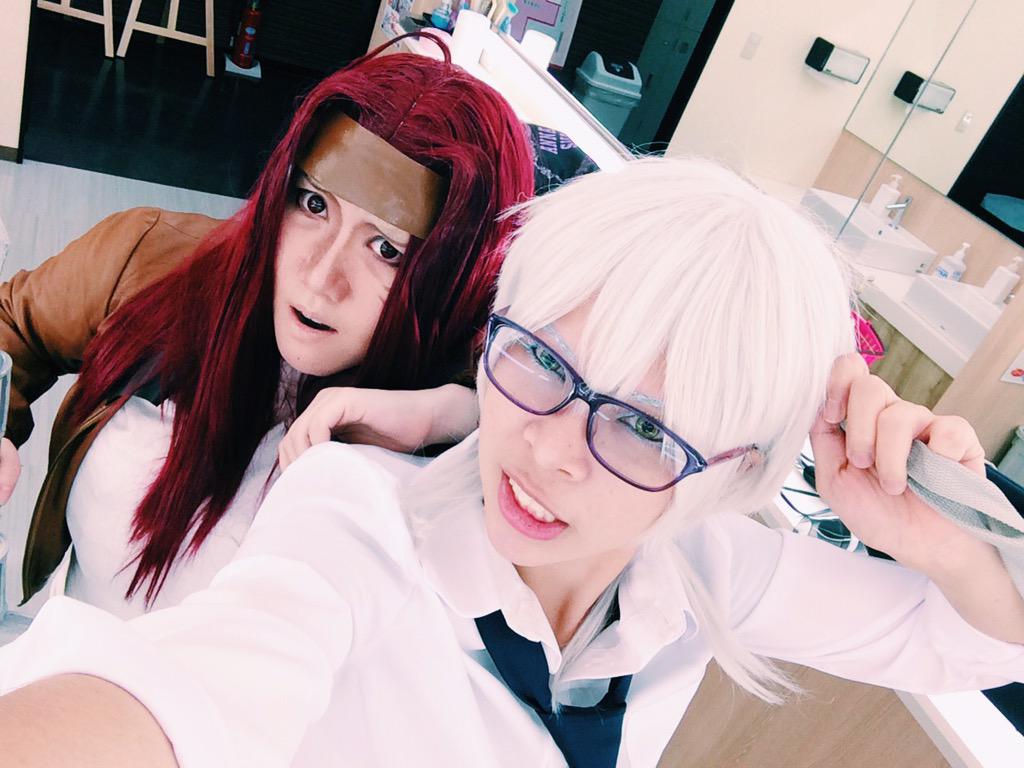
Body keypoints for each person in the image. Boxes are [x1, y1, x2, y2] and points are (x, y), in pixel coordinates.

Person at [1, 157, 1022, 768]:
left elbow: (976, 648)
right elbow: (196, 685)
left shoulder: (706, 568)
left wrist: (936, 540)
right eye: (541, 359)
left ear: (730, 468)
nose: (549, 450)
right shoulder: (360, 515)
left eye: (644, 429)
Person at [0, 36, 534, 616]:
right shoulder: (149, 261)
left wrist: (447, 418)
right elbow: (15, 324)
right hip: (65, 656)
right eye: (314, 205)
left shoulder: (459, 405)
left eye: (387, 249)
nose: (321, 279)